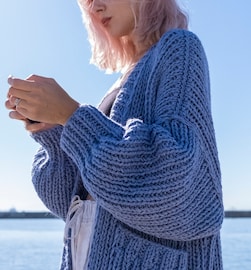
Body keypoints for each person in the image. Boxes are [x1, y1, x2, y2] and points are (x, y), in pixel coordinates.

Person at [5, 0, 224, 269]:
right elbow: (70, 202)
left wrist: (71, 116)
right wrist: (53, 132)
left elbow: (180, 179)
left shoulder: (179, 48)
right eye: (87, 1)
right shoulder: (120, 81)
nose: (95, 7)